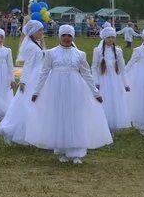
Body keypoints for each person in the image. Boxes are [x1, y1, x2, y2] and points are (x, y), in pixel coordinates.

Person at [26, 25, 111, 164]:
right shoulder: (51, 53)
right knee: (60, 117)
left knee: (75, 117)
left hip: (75, 89)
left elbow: (87, 74)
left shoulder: (80, 54)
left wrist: (95, 93)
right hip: (57, 89)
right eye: (64, 35)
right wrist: (37, 91)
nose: (67, 38)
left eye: (69, 36)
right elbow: (44, 73)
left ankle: (76, 152)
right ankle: (63, 149)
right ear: (60, 36)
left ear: (73, 37)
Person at [0, 20, 45, 145]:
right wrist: (23, 81)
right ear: (33, 32)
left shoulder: (36, 44)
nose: (42, 32)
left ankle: (36, 131)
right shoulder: (32, 47)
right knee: (28, 104)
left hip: (40, 76)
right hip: (34, 77)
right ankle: (17, 130)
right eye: (39, 30)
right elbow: (28, 65)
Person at [91, 27, 131, 132]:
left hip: (115, 80)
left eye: (113, 37)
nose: (110, 40)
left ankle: (112, 125)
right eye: (108, 37)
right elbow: (94, 67)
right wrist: (96, 81)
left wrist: (125, 83)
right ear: (104, 38)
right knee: (105, 101)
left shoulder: (118, 51)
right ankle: (103, 124)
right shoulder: (98, 50)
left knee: (114, 101)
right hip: (103, 79)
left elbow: (122, 68)